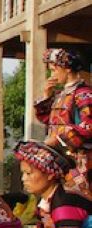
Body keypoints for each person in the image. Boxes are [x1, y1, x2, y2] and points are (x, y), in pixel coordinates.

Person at [34, 48, 91, 198]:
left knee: (80, 200)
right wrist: (46, 96)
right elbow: (49, 120)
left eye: (53, 70)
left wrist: (58, 138)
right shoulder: (62, 95)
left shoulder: (84, 94)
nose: (52, 75)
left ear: (66, 69)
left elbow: (89, 126)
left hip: (81, 160)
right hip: (64, 159)